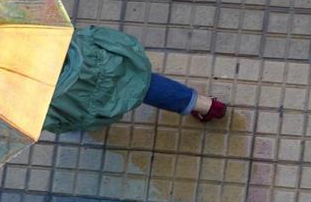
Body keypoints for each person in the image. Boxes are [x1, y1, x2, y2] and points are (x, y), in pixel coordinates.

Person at [43, 25, 226, 134]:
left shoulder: (17, 97)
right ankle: (207, 106)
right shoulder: (19, 30)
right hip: (90, 60)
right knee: (140, 83)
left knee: (97, 108)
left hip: (71, 98)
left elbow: (47, 121)